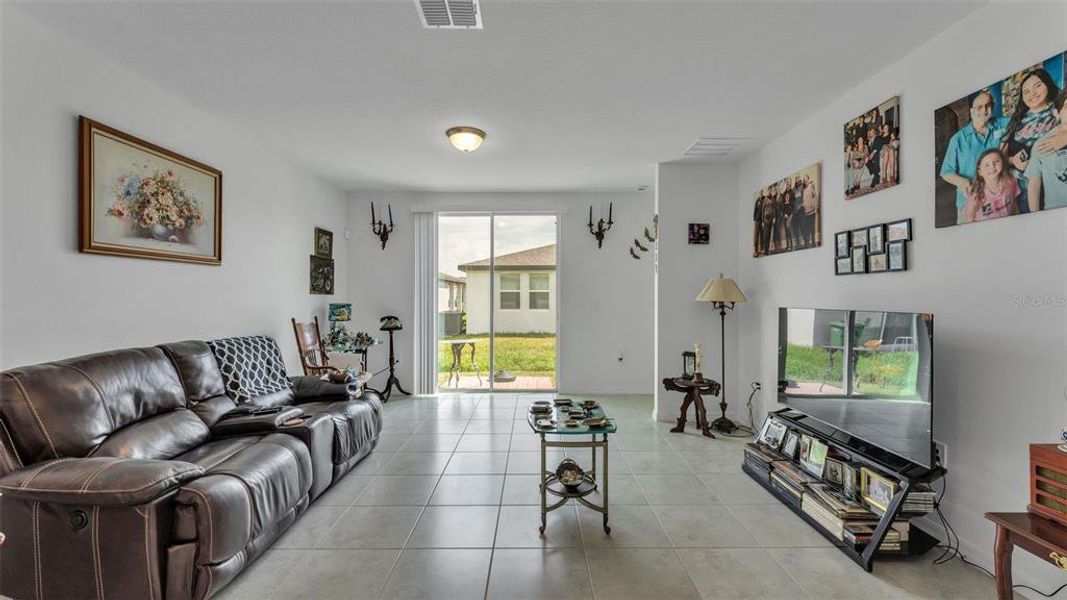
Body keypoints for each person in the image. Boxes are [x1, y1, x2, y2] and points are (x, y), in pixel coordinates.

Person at [940, 90, 1010, 224]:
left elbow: (1021, 120)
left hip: (999, 200)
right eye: (979, 107)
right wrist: (962, 182)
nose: (984, 110)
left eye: (988, 105)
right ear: (971, 111)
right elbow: (946, 172)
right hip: (969, 203)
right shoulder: (958, 139)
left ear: (993, 108)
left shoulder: (1001, 124)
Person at [1002, 69, 1062, 214]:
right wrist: (1012, 160)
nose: (1032, 93)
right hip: (1020, 187)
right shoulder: (1017, 119)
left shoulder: (1060, 109)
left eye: (1037, 86)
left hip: (1054, 183)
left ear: (1047, 84)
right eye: (1026, 91)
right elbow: (1000, 154)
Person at [1024, 88, 1067, 211]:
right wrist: (1035, 216)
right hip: (1054, 211)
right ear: (1057, 113)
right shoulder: (1041, 144)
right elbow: (1034, 185)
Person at [963, 148, 1020, 222]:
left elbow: (1014, 206)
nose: (992, 166)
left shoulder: (1010, 182)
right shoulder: (975, 194)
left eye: (996, 161)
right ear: (980, 171)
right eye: (987, 165)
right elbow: (969, 219)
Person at [801, 173, 819, 245]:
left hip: (812, 212)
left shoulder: (812, 187)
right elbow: (803, 200)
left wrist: (816, 208)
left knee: (812, 228)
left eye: (806, 180)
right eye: (804, 180)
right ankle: (807, 242)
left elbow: (815, 198)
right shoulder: (804, 190)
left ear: (809, 180)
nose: (805, 181)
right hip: (806, 212)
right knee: (807, 228)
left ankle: (813, 241)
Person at [753, 190, 766, 256]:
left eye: (761, 191)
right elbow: (755, 211)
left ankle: (762, 249)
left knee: (762, 235)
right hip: (757, 220)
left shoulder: (764, 198)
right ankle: (756, 251)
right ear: (759, 193)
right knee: (756, 236)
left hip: (763, 220)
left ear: (762, 192)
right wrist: (754, 219)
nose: (760, 192)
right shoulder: (757, 200)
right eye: (759, 191)